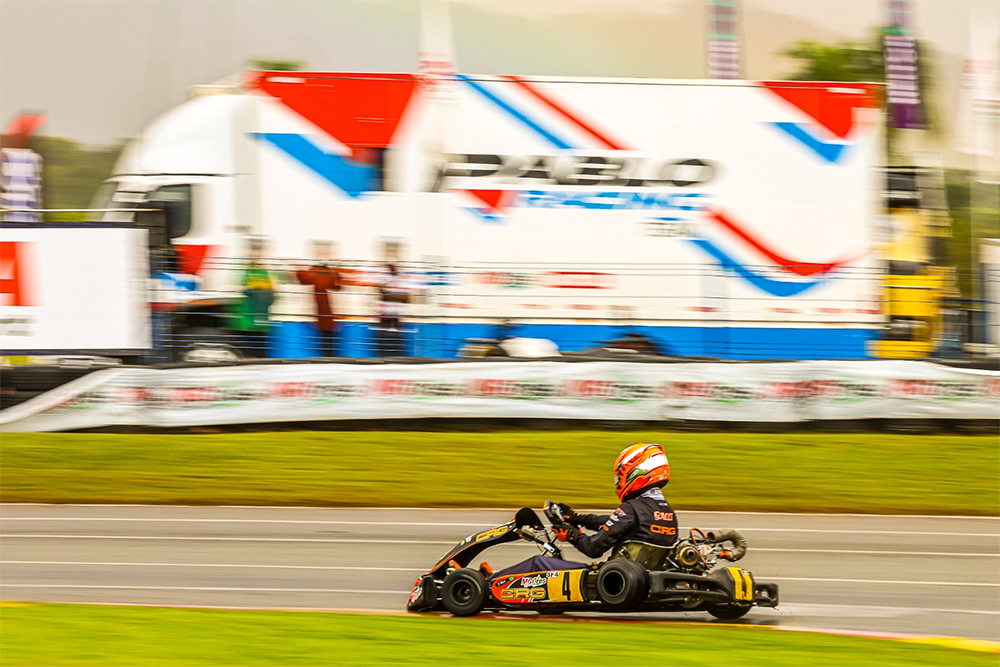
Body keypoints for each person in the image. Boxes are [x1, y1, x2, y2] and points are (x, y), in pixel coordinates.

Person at [487, 443, 678, 578]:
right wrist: (579, 519)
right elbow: (615, 524)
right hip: (636, 580)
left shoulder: (631, 508)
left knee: (539, 563)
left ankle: (487, 584)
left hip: (609, 579)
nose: (618, 482)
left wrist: (571, 534)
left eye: (620, 476)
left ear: (637, 472)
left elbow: (593, 548)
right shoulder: (665, 512)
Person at [296, 241, 343, 357]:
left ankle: (327, 354)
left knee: (326, 332)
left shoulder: (324, 271)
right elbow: (336, 286)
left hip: (325, 310)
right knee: (325, 332)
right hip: (322, 310)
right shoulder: (318, 270)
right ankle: (327, 354)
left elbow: (336, 286)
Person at [371, 240, 416, 357]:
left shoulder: (400, 272)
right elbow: (383, 292)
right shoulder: (383, 272)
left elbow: (405, 297)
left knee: (392, 347)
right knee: (388, 347)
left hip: (393, 317)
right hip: (387, 317)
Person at [233, 237, 275, 358]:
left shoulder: (263, 270)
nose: (256, 253)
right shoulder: (246, 269)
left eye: (258, 249)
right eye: (254, 249)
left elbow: (270, 292)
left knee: (259, 350)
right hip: (249, 319)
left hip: (259, 319)